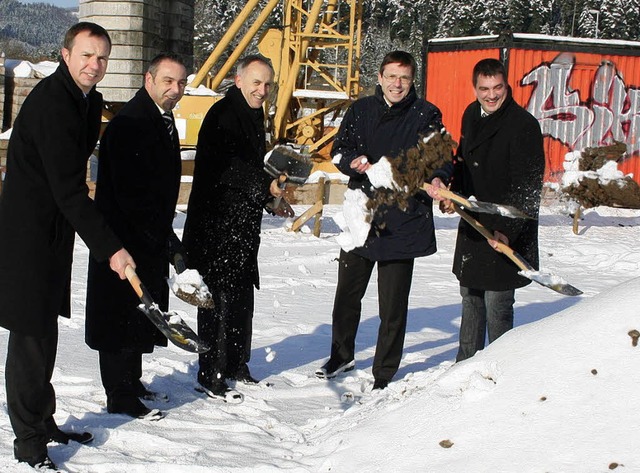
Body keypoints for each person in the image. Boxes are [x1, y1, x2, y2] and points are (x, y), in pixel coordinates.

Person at [0, 22, 135, 470]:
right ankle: (29, 444)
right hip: (27, 234)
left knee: (46, 331)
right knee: (30, 337)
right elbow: (69, 189)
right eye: (86, 55)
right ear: (65, 54)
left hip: (55, 231)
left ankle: (43, 418)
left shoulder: (88, 101)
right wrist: (111, 248)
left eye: (102, 58)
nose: (94, 65)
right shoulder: (52, 105)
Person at [315, 51, 448, 390]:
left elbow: (439, 158)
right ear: (380, 76)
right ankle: (341, 355)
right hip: (362, 215)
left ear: (412, 80)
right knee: (347, 295)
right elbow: (339, 150)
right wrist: (352, 161)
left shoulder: (426, 114)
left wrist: (439, 179)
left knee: (392, 305)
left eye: (403, 77)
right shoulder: (361, 110)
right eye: (391, 76)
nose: (397, 84)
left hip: (403, 220)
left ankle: (384, 373)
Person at [85, 53, 188, 419]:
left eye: (181, 83)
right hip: (122, 237)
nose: (175, 90)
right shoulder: (130, 122)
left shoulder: (159, 117)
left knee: (139, 311)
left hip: (146, 233)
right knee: (119, 315)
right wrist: (158, 235)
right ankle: (119, 394)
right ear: (149, 79)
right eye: (168, 81)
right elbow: (131, 193)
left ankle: (131, 380)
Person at [183, 55, 292, 399]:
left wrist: (268, 197)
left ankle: (236, 364)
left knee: (242, 296)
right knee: (217, 299)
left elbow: (251, 169)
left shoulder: (253, 113)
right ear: (239, 80)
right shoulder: (222, 115)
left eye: (267, 84)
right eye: (256, 82)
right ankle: (211, 371)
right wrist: (266, 188)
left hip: (242, 225)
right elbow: (229, 169)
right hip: (215, 225)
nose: (262, 90)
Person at [440, 58, 544, 362]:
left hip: (505, 229)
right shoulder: (471, 114)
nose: (491, 95)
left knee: (497, 306)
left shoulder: (523, 125)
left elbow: (528, 187)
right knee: (470, 300)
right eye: (484, 88)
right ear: (474, 88)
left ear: (506, 84)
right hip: (475, 223)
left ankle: (500, 370)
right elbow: (462, 164)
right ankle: (465, 365)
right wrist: (453, 196)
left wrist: (507, 231)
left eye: (497, 87)